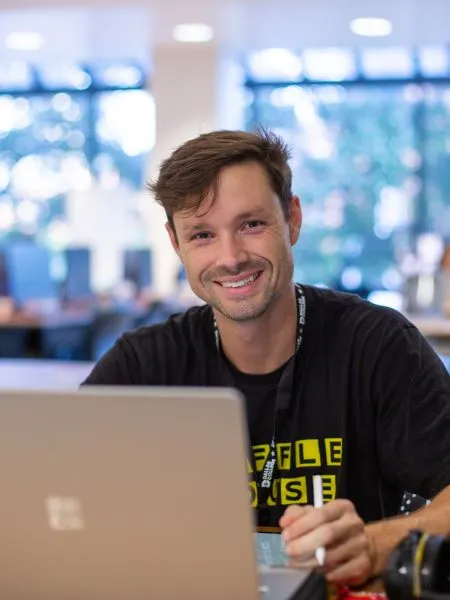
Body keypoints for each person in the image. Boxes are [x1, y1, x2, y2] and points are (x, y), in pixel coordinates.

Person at [83, 129, 450, 586]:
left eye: (251, 225)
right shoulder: (142, 366)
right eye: (201, 234)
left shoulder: (377, 345)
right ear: (176, 245)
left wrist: (375, 543)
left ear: (292, 219)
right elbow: (57, 498)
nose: (231, 257)